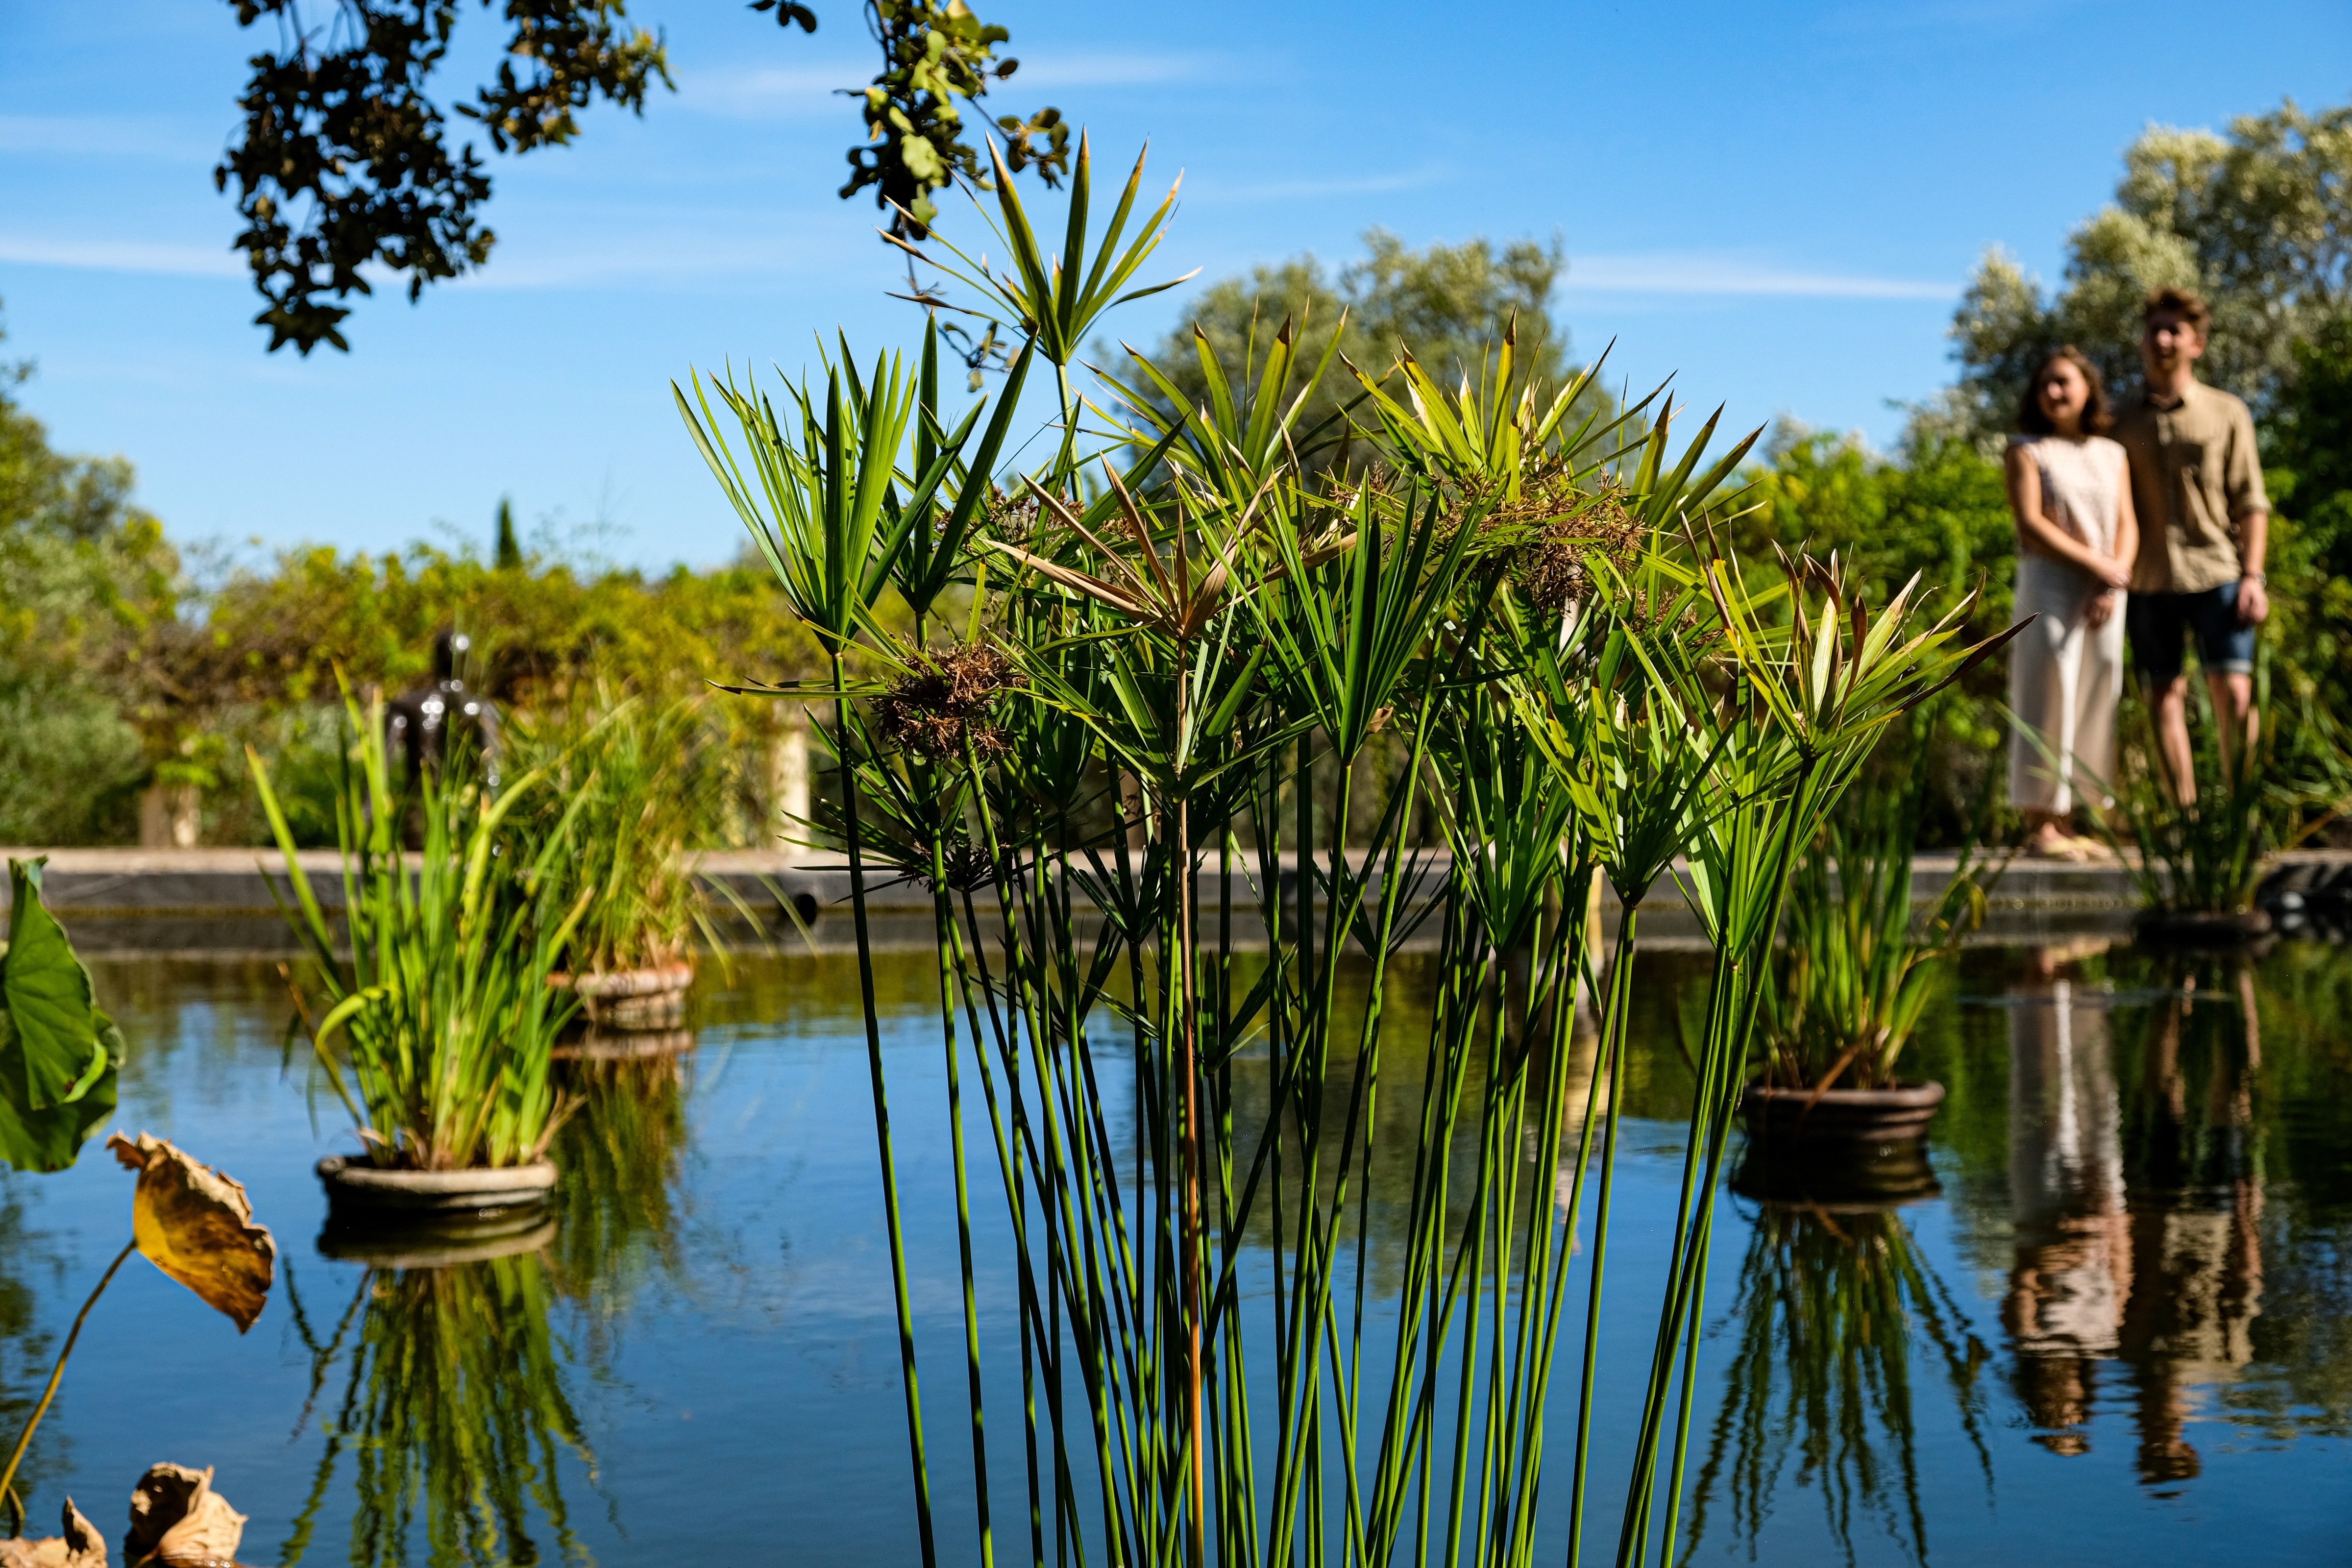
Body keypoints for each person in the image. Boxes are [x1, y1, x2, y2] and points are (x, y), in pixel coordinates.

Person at [2114, 288, 2271, 801]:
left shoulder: (2228, 412)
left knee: (2234, 692)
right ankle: (2187, 821)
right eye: (2154, 329)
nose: (2162, 339)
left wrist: (2253, 576)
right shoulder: (2117, 420)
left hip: (2219, 573)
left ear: (2196, 344)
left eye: (2174, 331)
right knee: (2163, 695)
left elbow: (2251, 500)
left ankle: (2241, 817)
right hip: (2147, 578)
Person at [2007, 346, 2137, 859]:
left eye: (2064, 382)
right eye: (2046, 384)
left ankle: (2075, 818)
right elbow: (2031, 524)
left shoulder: (2112, 453)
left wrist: (2112, 580)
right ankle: (2040, 823)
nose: (2055, 392)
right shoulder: (2026, 449)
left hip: (2105, 590)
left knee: (2097, 688)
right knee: (2046, 689)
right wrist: (2097, 565)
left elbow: (2128, 523)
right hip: (2049, 583)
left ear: (2088, 390)